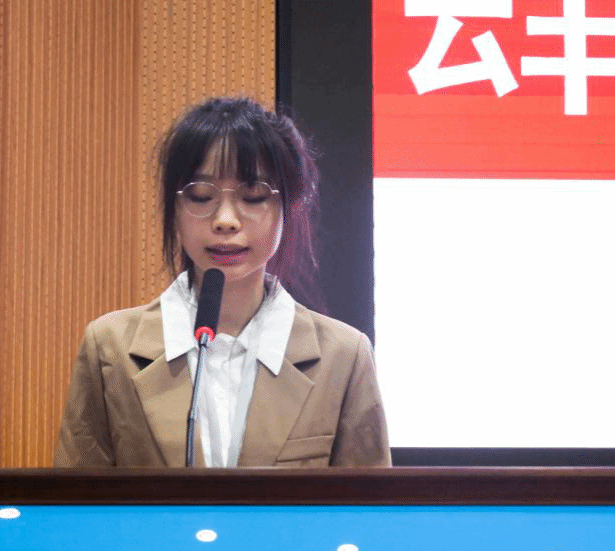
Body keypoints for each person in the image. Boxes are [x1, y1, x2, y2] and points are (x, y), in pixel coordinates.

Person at [55, 97, 390, 468]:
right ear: (174, 208)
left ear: (288, 205)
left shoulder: (344, 355)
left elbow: (367, 502)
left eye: (253, 196)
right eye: (201, 196)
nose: (225, 220)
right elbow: (78, 497)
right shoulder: (109, 347)